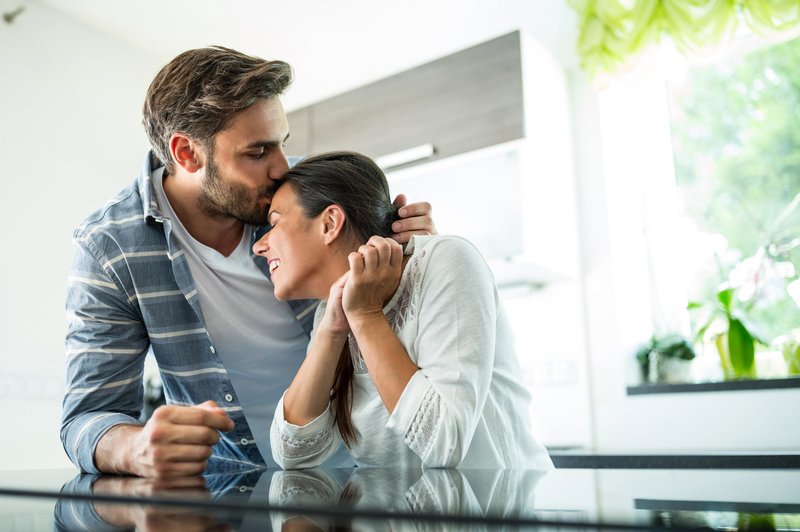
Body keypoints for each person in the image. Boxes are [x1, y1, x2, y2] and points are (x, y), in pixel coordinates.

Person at [61, 46, 435, 479]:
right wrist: (135, 449)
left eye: (281, 144)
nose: (281, 168)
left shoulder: (308, 197)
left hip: (370, 472)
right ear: (186, 153)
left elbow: (402, 312)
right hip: (235, 489)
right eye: (257, 153)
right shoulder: (110, 248)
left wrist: (415, 249)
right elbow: (87, 417)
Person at [255, 151, 553, 470]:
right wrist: (331, 330)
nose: (259, 246)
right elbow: (292, 455)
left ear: (329, 223)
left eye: (274, 224)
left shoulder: (447, 259)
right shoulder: (330, 311)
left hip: (494, 511)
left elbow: (443, 445)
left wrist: (366, 316)